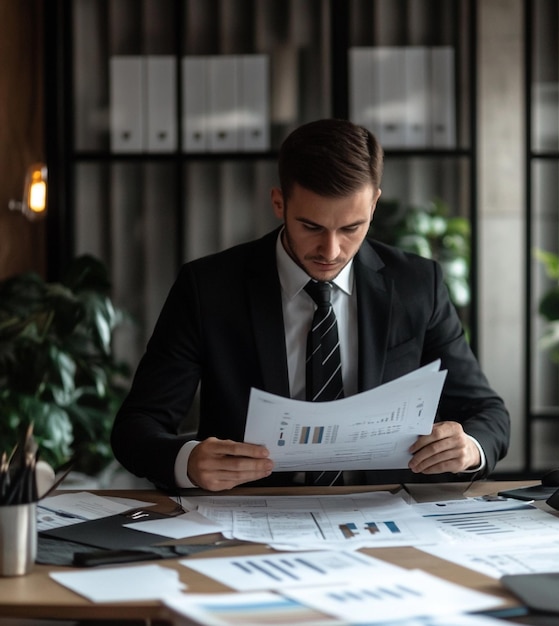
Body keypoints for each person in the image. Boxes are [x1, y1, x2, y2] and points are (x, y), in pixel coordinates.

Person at [111, 118, 510, 492]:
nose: (331, 250)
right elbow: (136, 426)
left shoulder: (418, 284)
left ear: (373, 206)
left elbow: (487, 411)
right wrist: (188, 461)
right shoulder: (208, 288)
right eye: (311, 227)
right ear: (279, 203)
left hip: (385, 511)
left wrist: (469, 447)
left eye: (351, 228)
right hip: (246, 512)